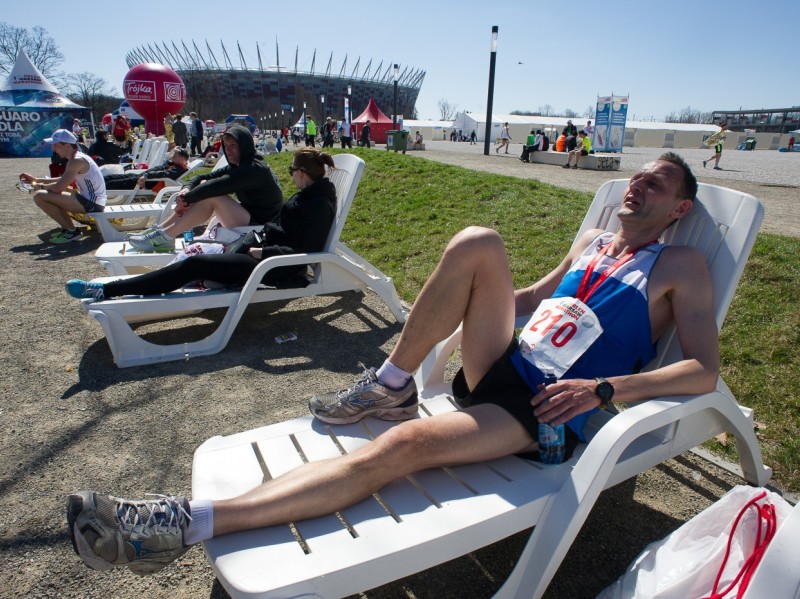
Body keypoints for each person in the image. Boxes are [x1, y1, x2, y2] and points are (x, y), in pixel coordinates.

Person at [66, 153, 719, 577]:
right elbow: (527, 300)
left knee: (400, 446)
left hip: (540, 411)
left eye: (655, 182)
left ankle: (180, 522)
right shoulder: (593, 241)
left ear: (678, 208)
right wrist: (451, 303)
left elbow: (703, 372)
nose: (638, 182)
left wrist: (606, 387)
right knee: (478, 243)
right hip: (503, 363)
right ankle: (393, 381)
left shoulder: (681, 268)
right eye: (637, 175)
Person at [66, 147, 337, 303]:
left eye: (292, 171)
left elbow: (307, 250)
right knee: (195, 261)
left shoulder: (318, 205)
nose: (290, 176)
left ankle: (106, 290)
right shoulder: (307, 196)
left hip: (270, 267)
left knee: (195, 265)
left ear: (302, 174)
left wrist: (264, 253)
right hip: (256, 250)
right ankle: (127, 285)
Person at [125, 126, 283, 252]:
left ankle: (166, 236)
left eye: (233, 145)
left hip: (263, 224)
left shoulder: (253, 169)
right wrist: (186, 190)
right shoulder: (240, 165)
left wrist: (186, 200)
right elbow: (201, 178)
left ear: (245, 146)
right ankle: (161, 231)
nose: (228, 150)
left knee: (213, 195)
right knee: (204, 188)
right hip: (250, 215)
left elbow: (215, 188)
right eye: (226, 146)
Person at [19, 129, 107, 243]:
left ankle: (71, 231)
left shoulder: (75, 160)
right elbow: (64, 179)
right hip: (93, 201)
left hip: (92, 203)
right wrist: (36, 180)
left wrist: (39, 187)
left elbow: (59, 187)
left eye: (56, 145)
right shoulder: (78, 157)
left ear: (67, 146)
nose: (53, 148)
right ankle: (69, 229)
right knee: (47, 194)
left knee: (40, 196)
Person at [103, 148, 190, 190]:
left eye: (175, 156)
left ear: (182, 159)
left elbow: (163, 174)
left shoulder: (179, 169)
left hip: (147, 181)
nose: (173, 157)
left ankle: (99, 188)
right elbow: (160, 168)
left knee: (112, 183)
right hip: (142, 177)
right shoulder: (173, 164)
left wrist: (147, 175)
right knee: (111, 178)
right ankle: (100, 182)